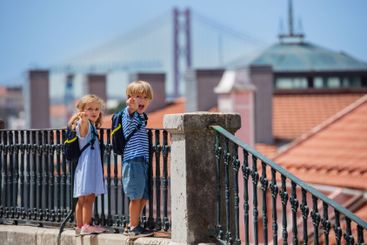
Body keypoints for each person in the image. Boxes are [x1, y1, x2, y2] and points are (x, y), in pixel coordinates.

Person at [68, 94, 106, 236]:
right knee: (89, 196)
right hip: (88, 166)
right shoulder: (85, 124)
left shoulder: (90, 125)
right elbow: (83, 129)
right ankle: (86, 225)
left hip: (83, 165)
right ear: (82, 110)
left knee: (82, 198)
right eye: (90, 109)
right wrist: (83, 119)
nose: (94, 112)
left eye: (97, 109)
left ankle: (79, 226)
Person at [121, 80, 154, 238]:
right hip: (133, 160)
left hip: (141, 161)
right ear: (129, 99)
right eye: (136, 97)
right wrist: (131, 106)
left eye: (144, 97)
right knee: (136, 197)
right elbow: (130, 110)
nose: (141, 100)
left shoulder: (141, 117)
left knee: (143, 197)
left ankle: (134, 224)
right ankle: (134, 227)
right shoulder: (129, 113)